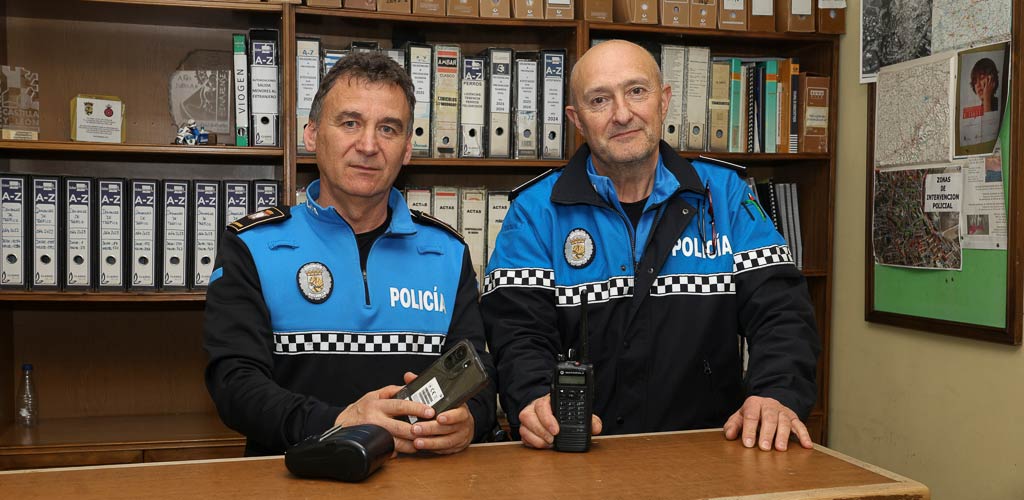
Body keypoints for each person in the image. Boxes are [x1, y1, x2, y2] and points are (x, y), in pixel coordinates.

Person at [481, 40, 820, 452]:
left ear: (664, 101)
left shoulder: (725, 196)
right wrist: (534, 400)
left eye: (636, 91)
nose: (622, 114)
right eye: (599, 100)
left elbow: (782, 313)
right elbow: (517, 334)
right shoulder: (535, 211)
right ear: (576, 120)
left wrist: (776, 393)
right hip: (575, 456)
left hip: (709, 451)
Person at [204, 51, 496, 456]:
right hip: (293, 481)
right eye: (350, 123)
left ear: (407, 149)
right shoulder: (253, 246)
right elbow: (233, 386)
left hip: (421, 484)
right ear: (311, 135)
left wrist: (469, 423)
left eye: (389, 129)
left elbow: (479, 380)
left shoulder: (446, 252)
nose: (369, 145)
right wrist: (340, 423)